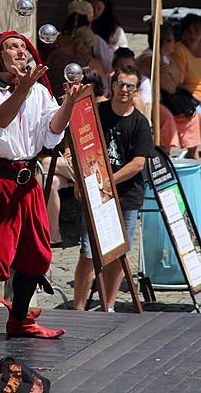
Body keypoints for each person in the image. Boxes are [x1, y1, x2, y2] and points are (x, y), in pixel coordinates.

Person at [0, 30, 87, 359]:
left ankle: (18, 320)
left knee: (37, 255)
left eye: (23, 47)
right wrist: (25, 88)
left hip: (26, 182)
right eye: (11, 47)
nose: (20, 51)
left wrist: (69, 104)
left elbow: (51, 134)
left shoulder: (39, 91)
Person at [73, 65, 155, 311]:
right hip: (95, 193)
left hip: (126, 196)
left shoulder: (140, 123)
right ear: (113, 85)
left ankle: (108, 307)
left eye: (131, 86)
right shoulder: (97, 112)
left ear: (136, 91)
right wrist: (80, 180)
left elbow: (138, 163)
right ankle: (77, 309)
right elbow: (80, 146)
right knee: (88, 253)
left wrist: (109, 180)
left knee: (118, 255)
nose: (125, 90)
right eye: (121, 84)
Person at [39, 70, 107, 247]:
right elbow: (72, 135)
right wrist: (69, 150)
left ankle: (81, 180)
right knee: (50, 181)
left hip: (92, 164)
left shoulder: (99, 106)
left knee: (45, 164)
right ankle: (53, 234)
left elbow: (93, 141)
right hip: (75, 162)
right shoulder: (76, 104)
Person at [138, 22, 200, 158]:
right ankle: (165, 152)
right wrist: (170, 74)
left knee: (192, 114)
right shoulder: (149, 58)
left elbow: (178, 80)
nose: (174, 43)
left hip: (163, 99)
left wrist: (170, 72)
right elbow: (170, 87)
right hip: (148, 101)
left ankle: (191, 153)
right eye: (172, 40)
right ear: (165, 42)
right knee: (167, 116)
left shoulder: (166, 57)